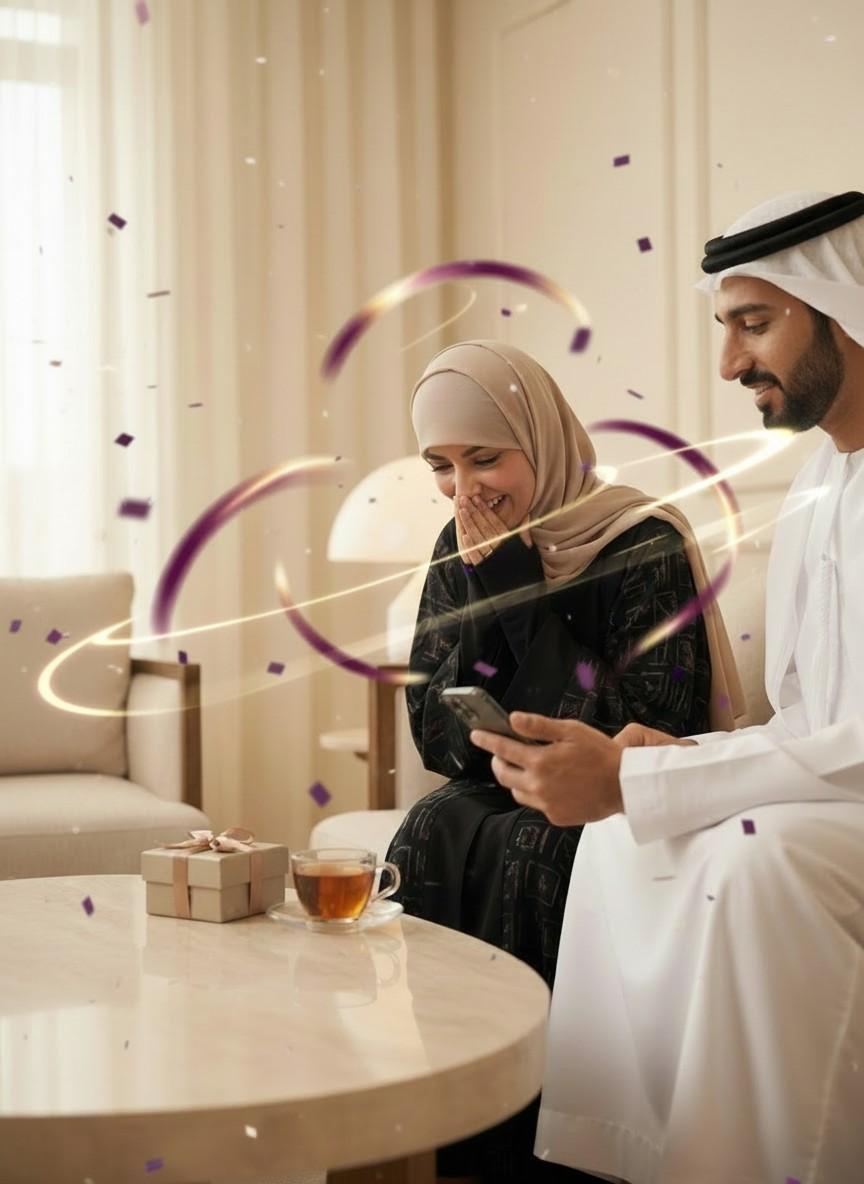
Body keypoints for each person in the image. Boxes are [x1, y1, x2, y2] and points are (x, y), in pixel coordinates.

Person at [470, 190, 864, 1184]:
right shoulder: (820, 486)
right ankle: (633, 1163)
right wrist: (677, 760)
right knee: (624, 831)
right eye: (726, 328)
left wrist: (646, 778)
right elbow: (813, 723)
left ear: (845, 307)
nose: (730, 363)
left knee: (759, 858)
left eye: (754, 323)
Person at [386, 339, 744, 1183]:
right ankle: (442, 1135)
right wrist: (489, 599)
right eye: (440, 466)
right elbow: (436, 737)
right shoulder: (458, 547)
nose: (465, 490)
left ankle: (546, 1153)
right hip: (501, 781)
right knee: (431, 824)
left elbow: (657, 724)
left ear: (540, 441)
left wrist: (521, 596)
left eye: (485, 458)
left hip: (615, 794)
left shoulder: (641, 540)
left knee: (539, 848)